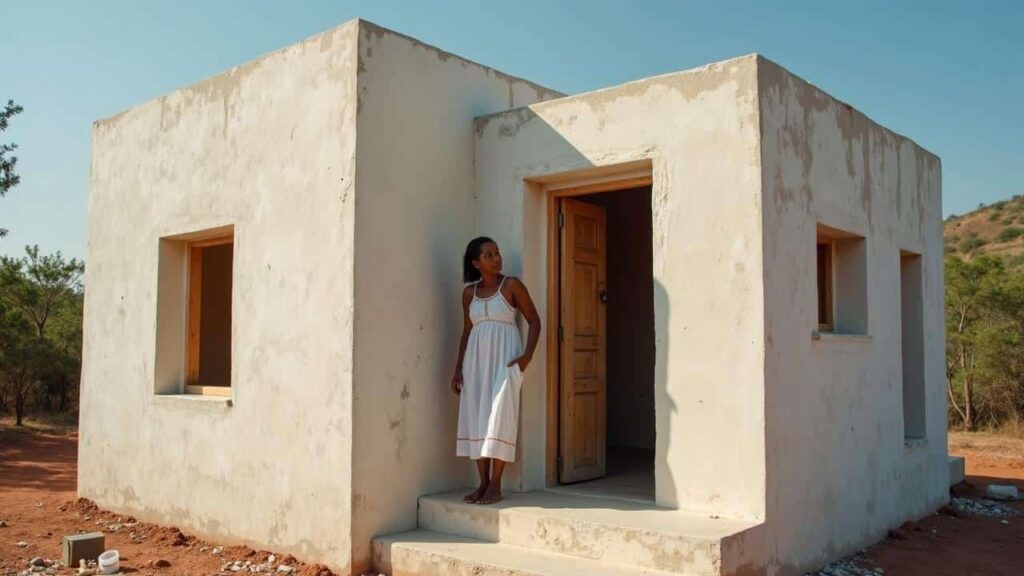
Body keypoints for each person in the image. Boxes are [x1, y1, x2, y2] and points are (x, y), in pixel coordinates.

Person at [452, 237, 541, 505]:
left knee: (501, 417)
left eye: (497, 253)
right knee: (477, 417)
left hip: (505, 361)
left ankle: (496, 485)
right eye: (488, 255)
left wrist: (526, 357)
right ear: (475, 263)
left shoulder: (512, 285)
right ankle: (482, 483)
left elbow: (535, 321)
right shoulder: (469, 294)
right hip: (475, 364)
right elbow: (466, 332)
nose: (496, 258)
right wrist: (458, 369)